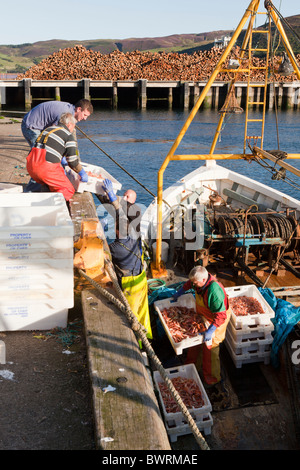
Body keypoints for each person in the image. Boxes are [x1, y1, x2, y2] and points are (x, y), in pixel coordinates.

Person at [101, 179, 152, 339]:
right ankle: (148, 336)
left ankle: (139, 342)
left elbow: (101, 251)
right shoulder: (134, 234)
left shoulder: (115, 249)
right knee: (144, 313)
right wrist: (108, 196)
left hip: (130, 285)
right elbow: (121, 215)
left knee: (132, 316)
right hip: (141, 278)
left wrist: (99, 232)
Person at [173, 265, 231, 386]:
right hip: (203, 315)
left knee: (210, 349)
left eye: (195, 282)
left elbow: (221, 316)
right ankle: (193, 367)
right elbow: (190, 283)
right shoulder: (198, 280)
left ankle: (212, 379)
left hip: (216, 320)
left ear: (204, 280)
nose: (193, 284)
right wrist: (180, 291)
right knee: (195, 343)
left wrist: (210, 331)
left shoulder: (214, 292)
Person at [26, 112, 88, 201]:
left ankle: (45, 195)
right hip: (45, 169)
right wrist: (82, 172)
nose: (73, 129)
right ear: (69, 124)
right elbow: (73, 162)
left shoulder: (48, 129)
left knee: (50, 184)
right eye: (74, 126)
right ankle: (52, 205)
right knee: (68, 189)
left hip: (31, 166)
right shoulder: (68, 135)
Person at [21, 98, 93, 148]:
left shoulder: (70, 111)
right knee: (40, 151)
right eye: (85, 115)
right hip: (31, 126)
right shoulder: (65, 114)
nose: (85, 118)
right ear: (79, 109)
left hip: (37, 124)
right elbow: (53, 133)